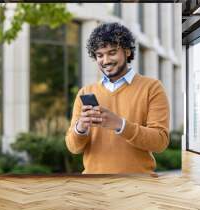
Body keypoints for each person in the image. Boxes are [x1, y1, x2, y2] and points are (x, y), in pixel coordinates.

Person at [65, 22, 170, 174]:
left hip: (138, 186)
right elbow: (73, 147)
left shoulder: (152, 88)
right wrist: (81, 127)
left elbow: (160, 142)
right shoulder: (85, 92)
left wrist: (120, 125)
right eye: (100, 55)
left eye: (112, 52)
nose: (105, 60)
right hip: (94, 186)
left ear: (127, 51)